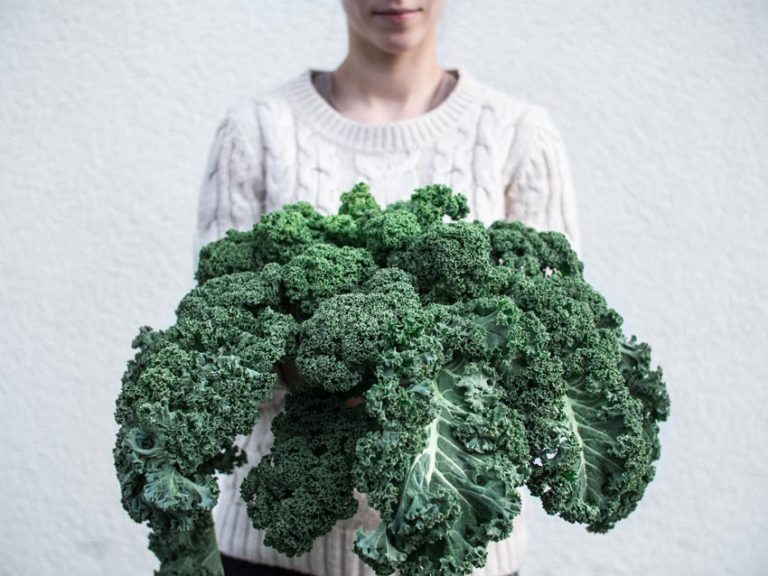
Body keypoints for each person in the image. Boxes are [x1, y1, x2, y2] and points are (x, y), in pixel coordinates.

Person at [192, 1, 580, 575]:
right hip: (274, 553)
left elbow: (557, 340)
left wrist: (427, 372)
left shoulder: (519, 135)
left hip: (459, 549)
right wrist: (321, 368)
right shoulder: (257, 130)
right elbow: (218, 332)